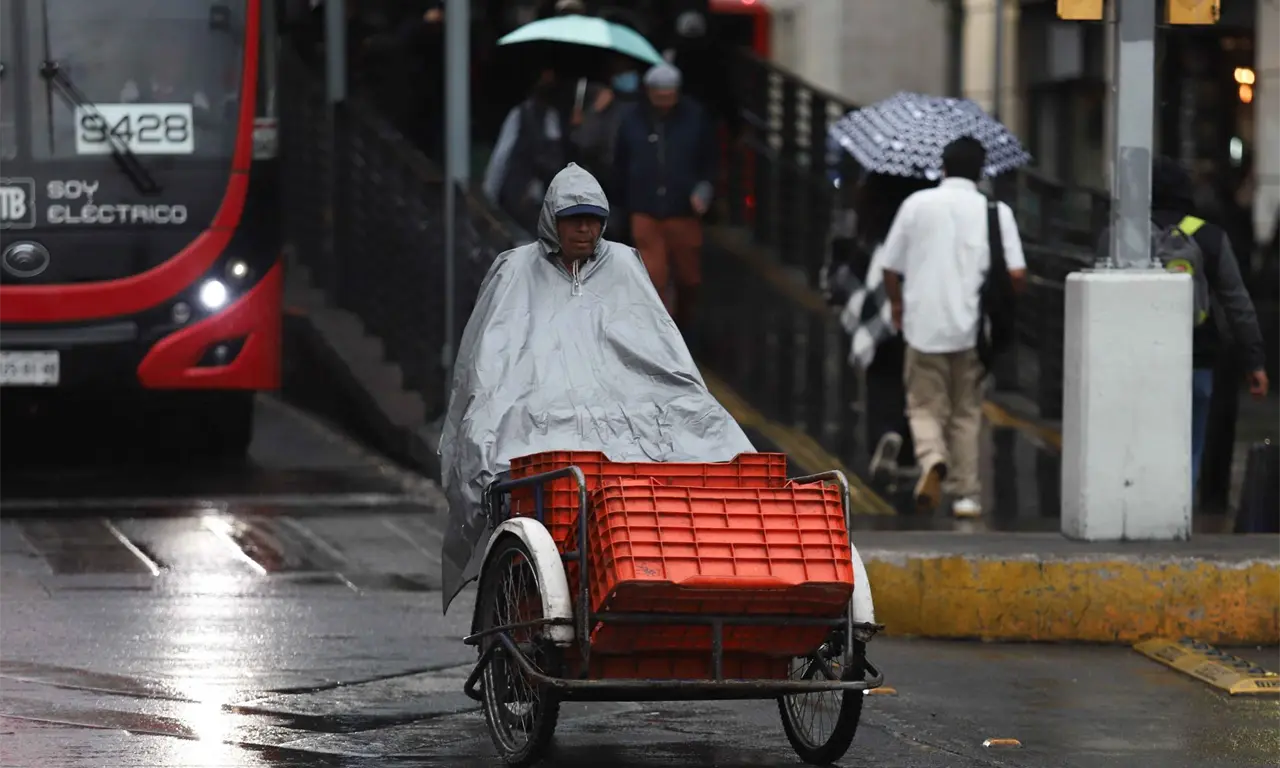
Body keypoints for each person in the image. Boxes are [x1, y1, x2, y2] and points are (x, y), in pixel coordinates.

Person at [438, 163, 754, 606]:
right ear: (553, 220)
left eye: (593, 219)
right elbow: (492, 362)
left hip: (629, 406)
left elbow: (661, 352)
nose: (585, 230)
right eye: (574, 220)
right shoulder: (515, 271)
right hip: (541, 412)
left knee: (715, 439)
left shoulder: (623, 264)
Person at [880, 137, 1027, 518]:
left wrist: (897, 304)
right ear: (980, 173)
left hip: (923, 326)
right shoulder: (996, 212)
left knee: (924, 405)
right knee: (966, 413)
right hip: (973, 331)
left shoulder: (916, 205)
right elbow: (1016, 273)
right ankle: (967, 496)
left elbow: (890, 266)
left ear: (943, 167)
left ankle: (932, 459)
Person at [1146, 156, 1268, 493]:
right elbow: (1237, 303)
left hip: (1142, 361)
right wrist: (1254, 361)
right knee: (1191, 445)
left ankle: (1148, 502)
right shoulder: (1209, 236)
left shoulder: (1126, 237)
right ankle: (1181, 503)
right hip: (1197, 358)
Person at [823, 172, 938, 486]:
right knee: (914, 375)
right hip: (918, 290)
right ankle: (907, 449)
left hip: (878, 288)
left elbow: (850, 241)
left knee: (880, 370)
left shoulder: (873, 191)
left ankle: (884, 434)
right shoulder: (926, 198)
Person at [613, 62, 716, 333]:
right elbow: (620, 163)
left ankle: (684, 325)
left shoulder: (695, 117)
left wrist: (704, 190)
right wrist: (622, 202)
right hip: (644, 208)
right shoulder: (632, 119)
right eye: (659, 95)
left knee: (688, 278)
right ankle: (660, 334)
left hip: (683, 210)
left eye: (669, 95)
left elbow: (709, 161)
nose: (664, 101)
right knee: (653, 277)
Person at [482, 69, 567, 235]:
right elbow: (502, 156)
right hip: (520, 196)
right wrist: (489, 192)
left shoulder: (552, 118)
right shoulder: (521, 115)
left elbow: (502, 155)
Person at [570, 55, 643, 244]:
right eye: (622, 71)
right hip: (610, 184)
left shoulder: (645, 106)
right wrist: (593, 112)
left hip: (639, 186)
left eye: (630, 70)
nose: (628, 76)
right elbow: (584, 142)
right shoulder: (606, 104)